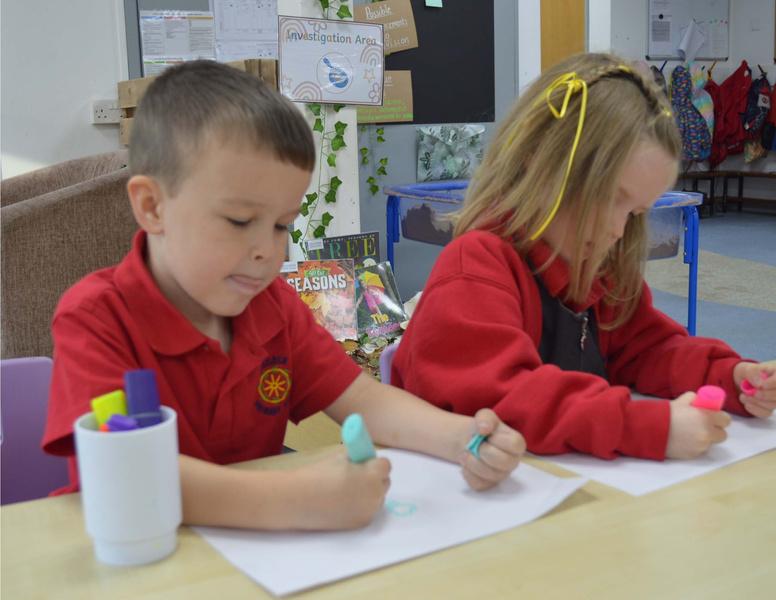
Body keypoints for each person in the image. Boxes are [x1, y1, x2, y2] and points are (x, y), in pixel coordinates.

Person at [42, 60, 525, 531]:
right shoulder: (97, 319)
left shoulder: (271, 306)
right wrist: (300, 499)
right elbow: (123, 480)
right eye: (239, 221)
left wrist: (462, 437)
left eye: (281, 226)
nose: (267, 251)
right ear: (152, 206)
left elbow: (363, 398)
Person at [391, 52, 775, 462]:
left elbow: (648, 350)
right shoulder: (474, 267)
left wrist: (729, 376)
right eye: (610, 198)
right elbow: (506, 397)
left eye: (634, 213)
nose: (618, 229)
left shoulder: (597, 270)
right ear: (541, 162)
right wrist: (644, 426)